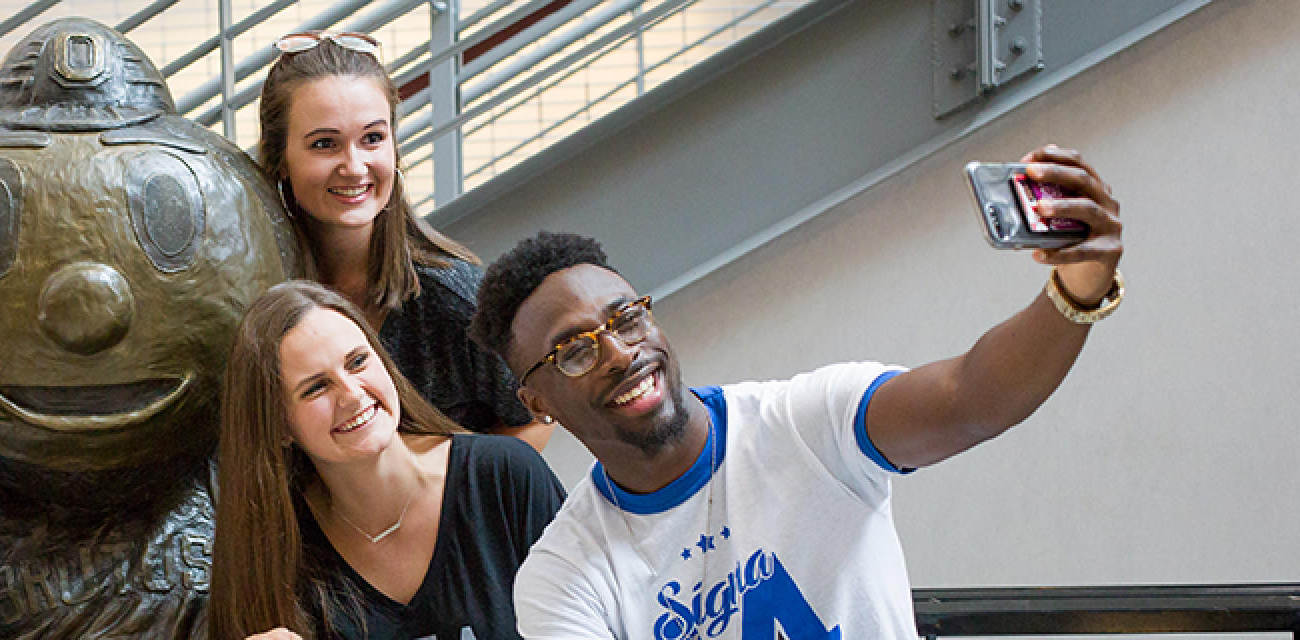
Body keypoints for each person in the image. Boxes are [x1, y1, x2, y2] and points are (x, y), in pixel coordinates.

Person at [467, 147, 1124, 637]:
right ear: (539, 402)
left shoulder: (809, 423)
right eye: (576, 350)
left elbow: (974, 397)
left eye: (627, 317)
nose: (620, 352)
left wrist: (1079, 288)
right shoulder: (564, 579)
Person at [209, 280, 566, 639]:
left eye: (358, 362)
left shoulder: (504, 475)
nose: (351, 394)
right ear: (279, 426)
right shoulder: (279, 560)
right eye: (316, 387)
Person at [257, 32, 543, 447]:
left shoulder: (456, 298)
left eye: (372, 138)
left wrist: (455, 506)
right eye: (325, 144)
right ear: (279, 157)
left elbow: (534, 417)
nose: (354, 167)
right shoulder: (255, 298)